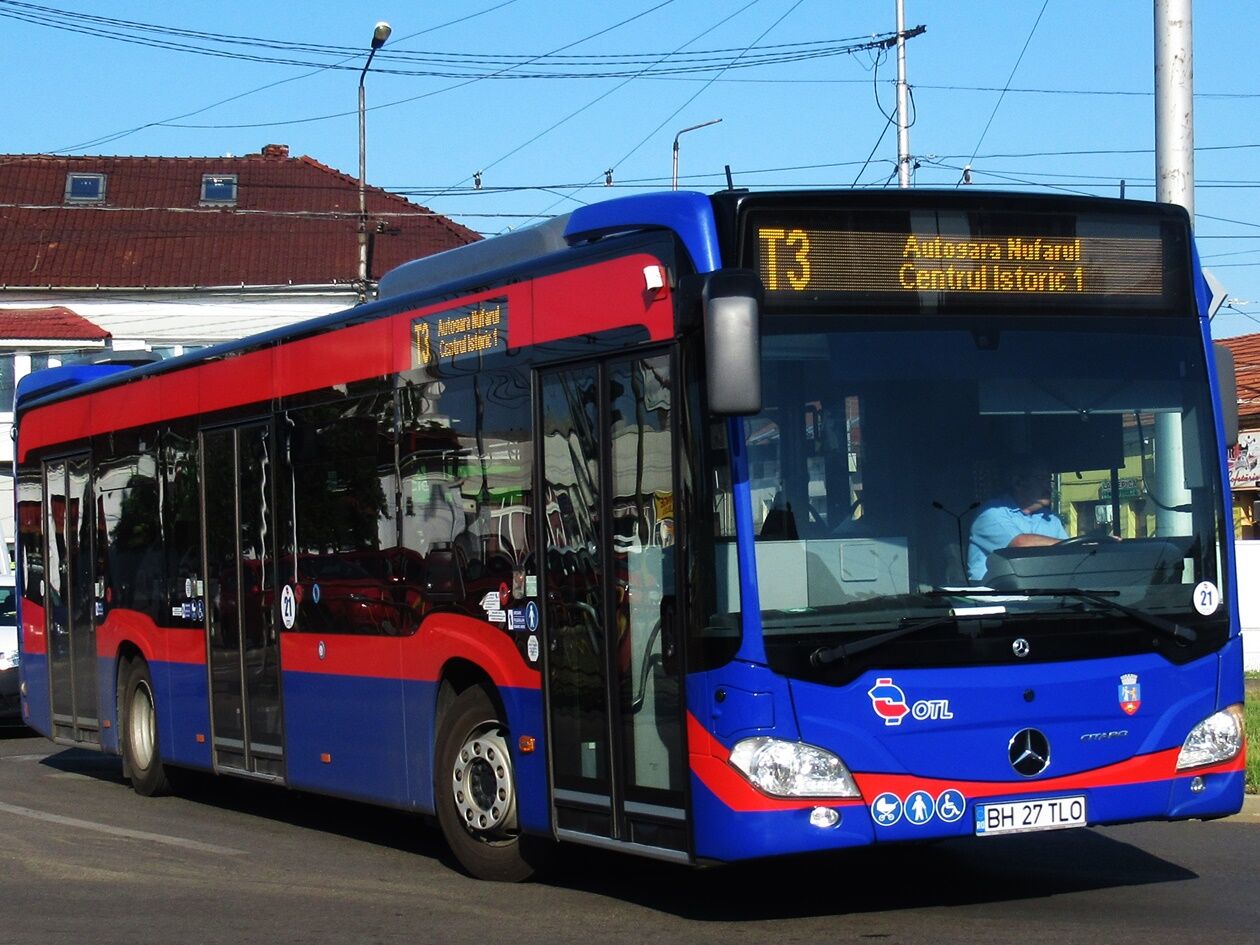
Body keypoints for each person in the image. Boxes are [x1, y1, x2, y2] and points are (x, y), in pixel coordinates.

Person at [967, 457, 1068, 582]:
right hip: (995, 592)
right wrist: (1063, 546)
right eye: (1041, 479)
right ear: (1018, 482)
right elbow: (1019, 545)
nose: (1048, 486)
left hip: (1044, 590)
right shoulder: (990, 512)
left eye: (1049, 480)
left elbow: (1068, 555)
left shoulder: (1052, 520)